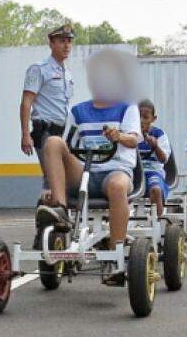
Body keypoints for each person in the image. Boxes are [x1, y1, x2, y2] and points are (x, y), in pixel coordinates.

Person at [35, 49, 141, 270]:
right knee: (53, 142)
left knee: (117, 185)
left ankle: (115, 252)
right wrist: (50, 187)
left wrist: (118, 135)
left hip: (115, 170)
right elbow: (64, 149)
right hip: (83, 172)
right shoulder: (78, 111)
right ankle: (61, 209)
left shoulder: (127, 107)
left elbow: (133, 140)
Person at [20, 24, 75, 181]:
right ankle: (44, 205)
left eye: (69, 41)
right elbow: (26, 102)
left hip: (63, 133)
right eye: (62, 41)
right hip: (46, 132)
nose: (67, 45)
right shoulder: (39, 69)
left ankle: (52, 205)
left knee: (64, 180)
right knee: (53, 179)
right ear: (51, 44)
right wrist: (25, 134)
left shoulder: (67, 73)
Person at [136, 99, 172, 217]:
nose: (141, 121)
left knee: (156, 189)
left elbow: (163, 159)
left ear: (153, 118)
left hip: (153, 172)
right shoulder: (130, 135)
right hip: (134, 174)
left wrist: (156, 146)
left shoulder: (159, 135)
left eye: (145, 117)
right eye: (138, 116)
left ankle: (158, 222)